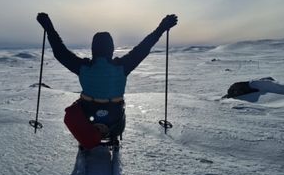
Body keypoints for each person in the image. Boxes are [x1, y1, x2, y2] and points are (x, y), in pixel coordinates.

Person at [36, 12, 178, 148]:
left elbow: (60, 52)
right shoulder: (122, 66)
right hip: (115, 121)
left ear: (93, 49)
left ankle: (87, 136)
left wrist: (48, 27)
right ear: (111, 49)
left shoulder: (83, 67)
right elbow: (144, 47)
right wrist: (162, 28)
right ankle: (111, 135)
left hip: (88, 118)